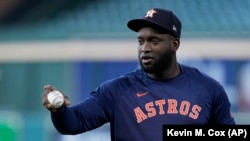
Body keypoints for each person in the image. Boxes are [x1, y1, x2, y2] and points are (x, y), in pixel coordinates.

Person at [42, 8, 236, 141]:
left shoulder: (207, 89)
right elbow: (73, 123)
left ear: (174, 45)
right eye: (140, 41)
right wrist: (59, 111)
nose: (145, 48)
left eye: (154, 41)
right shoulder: (117, 91)